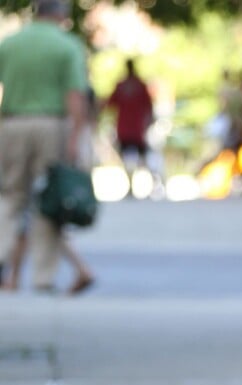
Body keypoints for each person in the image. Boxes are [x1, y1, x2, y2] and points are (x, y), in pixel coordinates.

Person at [0, 0, 88, 292]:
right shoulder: (67, 45)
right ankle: (43, 276)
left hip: (12, 123)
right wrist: (76, 136)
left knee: (11, 196)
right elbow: (74, 94)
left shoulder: (11, 43)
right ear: (61, 15)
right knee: (48, 198)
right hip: (51, 125)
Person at [104, 58, 153, 186]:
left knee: (133, 157)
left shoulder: (124, 86)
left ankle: (142, 183)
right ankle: (137, 183)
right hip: (134, 128)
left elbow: (110, 104)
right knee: (138, 158)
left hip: (128, 128)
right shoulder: (138, 85)